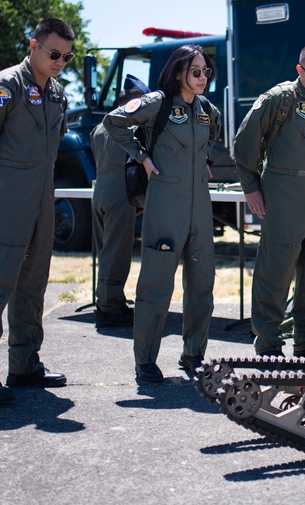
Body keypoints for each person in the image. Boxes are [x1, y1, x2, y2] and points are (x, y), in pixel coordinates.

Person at [0, 17, 74, 403]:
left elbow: (54, 143)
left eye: (66, 57)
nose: (60, 61)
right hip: (8, 192)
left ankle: (24, 365)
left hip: (42, 195)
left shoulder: (57, 95)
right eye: (54, 53)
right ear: (33, 46)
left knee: (32, 282)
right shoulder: (5, 86)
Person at [103, 45, 220, 382]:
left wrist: (204, 160)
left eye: (206, 72)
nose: (202, 78)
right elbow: (115, 121)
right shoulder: (158, 103)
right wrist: (141, 155)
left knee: (202, 284)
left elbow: (215, 130)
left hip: (200, 206)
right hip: (165, 203)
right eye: (195, 72)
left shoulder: (205, 109)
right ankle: (145, 360)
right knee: (156, 285)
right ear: (178, 71)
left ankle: (194, 354)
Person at [234, 42, 305, 357]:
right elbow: (245, 144)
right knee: (275, 270)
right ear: (300, 70)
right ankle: (268, 342)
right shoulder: (278, 99)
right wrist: (251, 187)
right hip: (283, 195)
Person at [90, 74, 149, 329]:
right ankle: (110, 308)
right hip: (121, 194)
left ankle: (106, 301)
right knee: (117, 252)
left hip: (100, 192)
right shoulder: (132, 127)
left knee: (106, 251)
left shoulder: (99, 127)